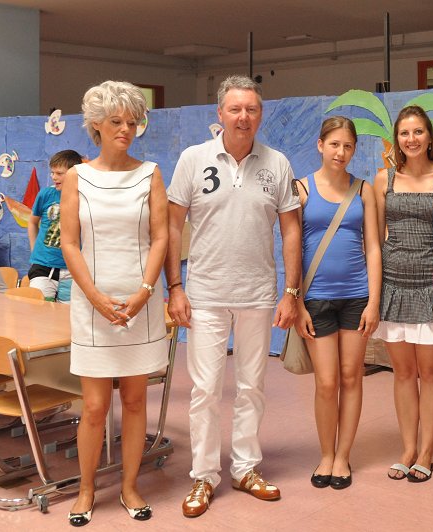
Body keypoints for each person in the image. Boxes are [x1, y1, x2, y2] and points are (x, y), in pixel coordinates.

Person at [165, 75, 302, 518]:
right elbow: (172, 226)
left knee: (251, 387)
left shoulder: (277, 163)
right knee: (205, 389)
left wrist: (291, 292)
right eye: (235, 109)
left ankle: (245, 468)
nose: (244, 117)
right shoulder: (193, 159)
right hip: (204, 294)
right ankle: (204, 476)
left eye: (252, 109)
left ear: (261, 115)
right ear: (220, 113)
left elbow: (291, 230)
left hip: (258, 294)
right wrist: (175, 287)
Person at [60, 81, 169, 526]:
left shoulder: (151, 173)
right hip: (92, 305)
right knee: (94, 406)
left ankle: (129, 486)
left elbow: (161, 237)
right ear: (97, 126)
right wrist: (93, 296)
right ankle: (86, 490)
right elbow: (69, 242)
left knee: (137, 402)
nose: (126, 129)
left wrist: (145, 292)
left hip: (140, 303)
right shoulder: (77, 177)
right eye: (116, 121)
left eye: (132, 121)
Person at [372, 105, 433, 482]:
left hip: (431, 285)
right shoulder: (384, 179)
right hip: (393, 285)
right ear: (397, 139)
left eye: (418, 132)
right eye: (404, 133)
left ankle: (427, 451)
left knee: (431, 372)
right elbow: (376, 239)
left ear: (430, 137)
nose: (411, 139)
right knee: (403, 372)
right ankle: (408, 447)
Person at [292, 116, 381, 489]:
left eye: (347, 146)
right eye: (334, 144)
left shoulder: (363, 190)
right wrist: (296, 302)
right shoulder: (301, 188)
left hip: (357, 297)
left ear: (354, 149)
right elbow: (292, 249)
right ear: (320, 145)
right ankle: (326, 454)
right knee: (327, 383)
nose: (340, 152)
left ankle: (343, 456)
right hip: (316, 299)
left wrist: (374, 301)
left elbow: (373, 246)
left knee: (351, 377)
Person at [27, 150, 83, 302]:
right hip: (42, 266)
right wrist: (34, 250)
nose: (53, 177)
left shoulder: (84, 198)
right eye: (52, 172)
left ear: (74, 174)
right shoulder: (46, 194)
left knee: (67, 312)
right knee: (39, 309)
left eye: (59, 173)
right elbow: (32, 222)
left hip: (72, 268)